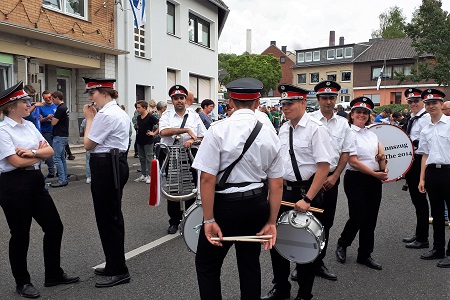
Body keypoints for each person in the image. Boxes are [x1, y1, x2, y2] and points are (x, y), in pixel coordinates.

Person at [193, 77, 284, 300]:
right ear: (257, 102)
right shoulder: (270, 133)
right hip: (255, 204)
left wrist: (208, 220)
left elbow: (206, 179)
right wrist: (271, 222)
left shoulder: (218, 129)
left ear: (231, 102)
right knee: (249, 265)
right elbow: (277, 183)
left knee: (207, 265)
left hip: (224, 206)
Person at [0, 82, 79, 299]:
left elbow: (51, 150)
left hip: (35, 179)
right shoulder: (3, 130)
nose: (29, 104)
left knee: (54, 227)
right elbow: (15, 161)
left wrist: (31, 152)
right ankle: (22, 282)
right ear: (10, 106)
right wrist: (37, 154)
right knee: (20, 235)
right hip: (13, 184)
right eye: (24, 101)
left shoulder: (29, 126)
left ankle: (53, 274)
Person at [262, 84, 331, 300]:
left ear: (303, 103)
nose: (285, 107)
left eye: (289, 103)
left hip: (306, 193)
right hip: (283, 192)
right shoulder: (283, 128)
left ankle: (304, 293)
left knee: (305, 245)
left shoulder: (316, 129)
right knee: (277, 242)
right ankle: (281, 288)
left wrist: (309, 197)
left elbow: (323, 167)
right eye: (283, 104)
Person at [82, 77, 131, 287]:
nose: (91, 100)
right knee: (112, 216)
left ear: (103, 92)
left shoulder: (104, 114)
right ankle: (113, 264)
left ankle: (118, 269)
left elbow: (88, 144)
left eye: (91, 94)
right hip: (115, 163)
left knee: (107, 219)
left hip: (105, 165)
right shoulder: (120, 112)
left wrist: (89, 119)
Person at [307, 80, 355, 281]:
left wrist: (335, 177)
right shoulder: (308, 120)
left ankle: (319, 262)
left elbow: (345, 153)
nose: (328, 101)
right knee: (306, 223)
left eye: (332, 98)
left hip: (330, 180)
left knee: (326, 223)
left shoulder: (343, 124)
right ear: (318, 100)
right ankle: (303, 263)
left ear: (336, 100)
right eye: (325, 98)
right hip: (309, 180)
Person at [335, 96, 388, 271]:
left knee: (371, 219)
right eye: (359, 111)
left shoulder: (372, 134)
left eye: (365, 112)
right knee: (358, 216)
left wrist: (383, 165)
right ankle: (343, 243)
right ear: (352, 114)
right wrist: (376, 174)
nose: (362, 115)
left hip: (374, 180)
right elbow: (353, 162)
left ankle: (364, 255)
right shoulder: (348, 133)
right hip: (356, 179)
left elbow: (380, 158)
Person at [158, 84, 207, 234]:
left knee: (191, 186)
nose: (179, 100)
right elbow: (163, 132)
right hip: (171, 155)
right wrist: (185, 130)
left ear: (186, 100)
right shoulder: (166, 115)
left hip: (190, 154)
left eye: (181, 98)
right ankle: (174, 220)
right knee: (173, 188)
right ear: (172, 101)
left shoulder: (194, 115)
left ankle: (189, 219)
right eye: (175, 98)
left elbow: (203, 135)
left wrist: (192, 140)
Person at [417, 89, 450, 267]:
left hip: (448, 172)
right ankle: (438, 249)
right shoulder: (425, 129)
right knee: (437, 214)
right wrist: (422, 179)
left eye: (434, 103)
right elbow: (424, 155)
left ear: (441, 104)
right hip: (432, 174)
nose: (431, 106)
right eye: (428, 103)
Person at [401, 88, 430, 249]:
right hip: (413, 161)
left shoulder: (426, 119)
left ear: (422, 102)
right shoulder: (413, 118)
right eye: (410, 102)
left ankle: (423, 238)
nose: (413, 104)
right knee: (417, 201)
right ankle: (420, 234)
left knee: (421, 201)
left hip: (421, 160)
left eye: (416, 101)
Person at [134, 100, 159, 184]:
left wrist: (154, 133)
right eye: (136, 107)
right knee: (142, 158)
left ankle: (150, 175)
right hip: (139, 139)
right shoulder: (138, 117)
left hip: (148, 140)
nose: (137, 109)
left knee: (149, 158)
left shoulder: (150, 117)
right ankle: (144, 174)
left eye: (139, 107)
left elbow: (160, 124)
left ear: (144, 108)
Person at [50, 91, 70, 188]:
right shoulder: (65, 107)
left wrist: (51, 118)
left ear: (57, 98)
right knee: (62, 158)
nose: (52, 101)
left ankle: (62, 180)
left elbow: (54, 123)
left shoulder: (60, 108)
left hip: (59, 135)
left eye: (53, 99)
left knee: (57, 158)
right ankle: (64, 177)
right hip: (64, 135)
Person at [39, 90, 57, 178]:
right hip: (46, 132)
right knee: (49, 152)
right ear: (43, 98)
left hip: (57, 131)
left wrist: (53, 120)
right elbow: (39, 120)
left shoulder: (57, 105)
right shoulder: (41, 107)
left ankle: (60, 170)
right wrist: (46, 118)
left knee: (58, 152)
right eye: (46, 98)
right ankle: (51, 171)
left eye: (49, 97)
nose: (48, 99)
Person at [79, 118, 91, 183]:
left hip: (88, 140)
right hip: (96, 141)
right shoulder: (98, 119)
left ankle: (89, 176)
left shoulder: (85, 120)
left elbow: (81, 131)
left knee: (88, 160)